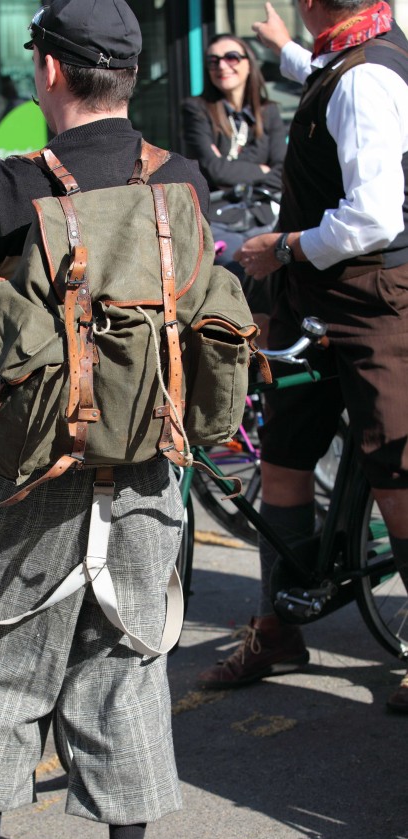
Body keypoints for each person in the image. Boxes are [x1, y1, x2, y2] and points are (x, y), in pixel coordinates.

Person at [0, 0, 211, 839]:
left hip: (23, 470)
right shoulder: (181, 180)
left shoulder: (8, 189)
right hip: (147, 464)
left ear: (48, 72)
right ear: (129, 76)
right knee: (125, 659)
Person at [197, 0, 408, 715]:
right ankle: (278, 629)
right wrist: (283, 48)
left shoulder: (365, 77)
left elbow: (374, 217)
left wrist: (284, 247)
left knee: (397, 474)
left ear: (314, 3)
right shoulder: (356, 51)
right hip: (315, 304)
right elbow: (320, 71)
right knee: (283, 458)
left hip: (374, 305)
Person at [182, 33, 287, 271]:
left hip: (262, 215)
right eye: (213, 61)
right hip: (219, 217)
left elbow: (282, 172)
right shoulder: (197, 109)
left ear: (249, 63)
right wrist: (261, 169)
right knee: (238, 267)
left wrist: (230, 168)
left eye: (231, 57)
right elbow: (214, 170)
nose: (222, 66)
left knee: (281, 266)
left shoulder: (268, 111)